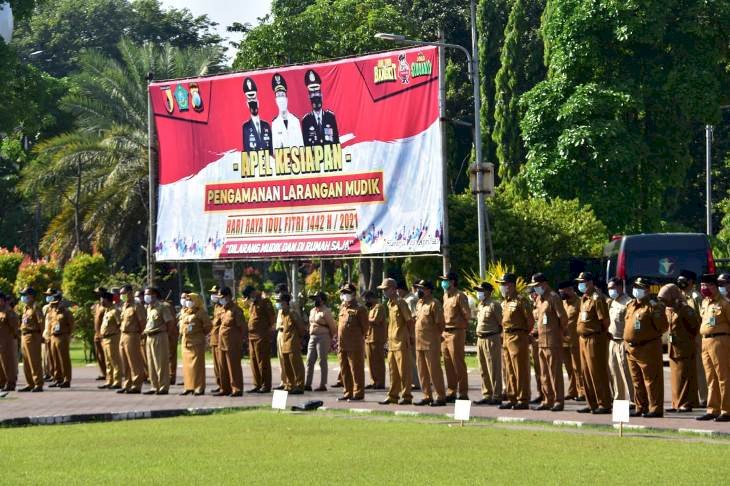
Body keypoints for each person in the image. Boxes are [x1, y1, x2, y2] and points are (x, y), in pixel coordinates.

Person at [624, 277, 668, 418]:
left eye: (640, 287)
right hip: (631, 349)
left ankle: (655, 408)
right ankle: (640, 406)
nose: (636, 290)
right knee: (636, 380)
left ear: (647, 290)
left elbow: (662, 327)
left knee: (651, 380)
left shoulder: (654, 306)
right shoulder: (631, 305)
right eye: (635, 286)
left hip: (647, 347)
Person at [529, 273, 568, 411]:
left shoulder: (553, 297)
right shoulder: (539, 299)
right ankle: (547, 400)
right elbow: (537, 319)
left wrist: (560, 334)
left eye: (537, 285)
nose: (535, 288)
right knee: (544, 373)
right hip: (541, 341)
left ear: (544, 284)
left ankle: (558, 401)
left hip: (552, 341)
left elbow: (563, 318)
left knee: (555, 373)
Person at [658, 283, 699, 413]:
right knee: (675, 378)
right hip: (673, 348)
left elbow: (694, 327)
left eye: (666, 299)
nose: (665, 302)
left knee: (685, 376)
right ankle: (676, 402)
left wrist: (685, 339)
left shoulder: (685, 309)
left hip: (684, 347)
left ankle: (686, 403)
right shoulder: (669, 309)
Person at [575, 272, 612, 414]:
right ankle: (592, 403)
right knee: (586, 372)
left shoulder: (597, 298)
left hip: (594, 338)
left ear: (590, 282)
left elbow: (605, 321)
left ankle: (604, 403)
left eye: (583, 281)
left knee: (597, 371)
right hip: (583, 339)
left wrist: (598, 334)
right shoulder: (584, 299)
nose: (581, 285)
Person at [696, 274, 730, 421]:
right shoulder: (704, 303)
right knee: (710, 378)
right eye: (702, 285)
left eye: (707, 285)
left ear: (715, 287)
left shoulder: (725, 303)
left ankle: (726, 410)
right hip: (705, 342)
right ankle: (712, 409)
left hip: (720, 341)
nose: (704, 288)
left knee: (723, 377)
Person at [498, 273, 534, 410]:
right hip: (506, 337)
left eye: (504, 284)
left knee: (520, 369)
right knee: (509, 369)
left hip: (518, 336)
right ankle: (512, 397)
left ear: (512, 285)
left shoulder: (521, 301)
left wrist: (524, 334)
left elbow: (530, 321)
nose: (502, 287)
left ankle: (523, 399)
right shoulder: (505, 302)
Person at [377, 278, 414, 405]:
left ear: (393, 289)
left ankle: (407, 396)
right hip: (392, 342)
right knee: (393, 371)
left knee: (404, 371)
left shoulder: (401, 303)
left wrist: (411, 337)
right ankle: (393, 395)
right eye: (383, 290)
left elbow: (409, 321)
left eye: (386, 289)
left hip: (402, 342)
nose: (384, 292)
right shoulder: (389, 304)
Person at [413, 280, 446, 407]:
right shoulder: (419, 304)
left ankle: (440, 396)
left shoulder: (434, 304)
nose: (419, 291)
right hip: (419, 342)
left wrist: (436, 337)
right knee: (422, 371)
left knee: (434, 371)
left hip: (431, 342)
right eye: (418, 288)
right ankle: (427, 396)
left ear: (429, 290)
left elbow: (440, 324)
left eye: (422, 288)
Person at [438, 271, 470, 402]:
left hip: (456, 332)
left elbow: (467, 314)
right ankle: (451, 391)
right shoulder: (445, 296)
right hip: (445, 332)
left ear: (452, 282)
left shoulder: (460, 296)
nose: (444, 283)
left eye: (446, 280)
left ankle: (463, 392)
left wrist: (460, 325)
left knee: (458, 363)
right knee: (447, 363)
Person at [677, 269, 707, 408]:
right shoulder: (681, 295)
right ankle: (691, 397)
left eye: (684, 280)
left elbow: (702, 316)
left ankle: (704, 398)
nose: (680, 282)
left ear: (691, 282)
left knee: (699, 368)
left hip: (696, 336)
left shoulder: (696, 297)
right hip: (684, 337)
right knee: (688, 368)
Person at [336, 283, 368, 401]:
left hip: (354, 345)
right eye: (343, 293)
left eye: (348, 293)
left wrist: (356, 338)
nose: (345, 295)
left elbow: (365, 327)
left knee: (356, 370)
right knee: (344, 370)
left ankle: (358, 393)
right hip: (342, 344)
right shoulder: (343, 307)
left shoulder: (360, 309)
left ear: (354, 294)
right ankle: (347, 392)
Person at [472, 282, 503, 406]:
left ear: (489, 292)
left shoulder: (494, 305)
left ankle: (496, 395)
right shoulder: (480, 305)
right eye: (478, 290)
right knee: (483, 368)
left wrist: (500, 338)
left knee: (493, 368)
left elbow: (502, 323)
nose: (478, 293)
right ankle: (487, 394)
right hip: (480, 339)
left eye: (481, 290)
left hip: (491, 338)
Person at [243, 285, 276, 393]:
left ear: (253, 292)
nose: (248, 298)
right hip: (252, 336)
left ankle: (265, 385)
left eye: (249, 295)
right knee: (253, 361)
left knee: (263, 361)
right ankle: (257, 384)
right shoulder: (253, 303)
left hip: (261, 336)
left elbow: (272, 318)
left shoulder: (264, 302)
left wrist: (267, 331)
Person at [606, 278, 634, 404]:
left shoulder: (628, 303)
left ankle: (633, 401)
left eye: (612, 288)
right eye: (609, 288)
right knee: (614, 372)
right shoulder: (612, 302)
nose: (610, 291)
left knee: (626, 373)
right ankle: (619, 400)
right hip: (612, 341)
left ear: (620, 287)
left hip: (623, 342)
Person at [143, 287, 174, 395]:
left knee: (161, 362)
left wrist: (167, 335)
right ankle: (154, 386)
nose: (146, 296)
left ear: (155, 295)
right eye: (145, 294)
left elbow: (169, 322)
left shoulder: (162, 307)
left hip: (159, 336)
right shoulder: (149, 308)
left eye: (148, 294)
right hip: (149, 337)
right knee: (151, 363)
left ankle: (163, 387)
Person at [178, 293, 211, 396]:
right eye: (187, 300)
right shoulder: (184, 312)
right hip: (185, 342)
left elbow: (208, 326)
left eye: (190, 300)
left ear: (196, 301)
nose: (188, 302)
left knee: (197, 366)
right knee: (187, 366)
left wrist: (200, 334)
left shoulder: (201, 312)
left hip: (196, 342)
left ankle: (199, 387)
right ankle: (188, 387)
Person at [216, 287, 246, 397]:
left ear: (228, 296)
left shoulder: (236, 310)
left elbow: (242, 327)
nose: (220, 300)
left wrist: (242, 342)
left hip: (232, 343)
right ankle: (225, 388)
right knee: (222, 367)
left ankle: (236, 389)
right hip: (222, 343)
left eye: (222, 297)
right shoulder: (223, 310)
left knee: (234, 367)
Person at [558, 281, 585, 402]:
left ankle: (582, 391)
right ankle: (572, 390)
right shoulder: (562, 303)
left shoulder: (579, 302)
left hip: (576, 340)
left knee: (578, 367)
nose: (561, 293)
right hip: (564, 341)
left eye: (563, 291)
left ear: (570, 289)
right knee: (569, 368)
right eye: (560, 292)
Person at [117, 284, 146, 394]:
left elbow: (142, 322)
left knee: (134, 361)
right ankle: (127, 383)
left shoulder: (137, 306)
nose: (121, 296)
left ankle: (136, 385)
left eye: (123, 293)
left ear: (130, 293)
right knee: (125, 361)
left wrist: (141, 335)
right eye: (121, 294)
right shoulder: (124, 306)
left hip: (133, 335)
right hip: (123, 335)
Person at [305, 291, 336, 392]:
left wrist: (331, 339)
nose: (315, 301)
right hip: (312, 337)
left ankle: (323, 384)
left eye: (317, 299)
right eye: (314, 299)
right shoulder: (312, 311)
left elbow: (332, 327)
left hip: (323, 337)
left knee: (322, 361)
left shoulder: (326, 311)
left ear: (322, 300)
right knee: (309, 360)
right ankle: (307, 384)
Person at [276, 292, 307, 394]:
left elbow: (301, 328)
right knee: (287, 365)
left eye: (279, 301)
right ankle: (290, 385)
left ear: (285, 302)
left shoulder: (292, 313)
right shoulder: (282, 314)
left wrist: (300, 339)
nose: (278, 303)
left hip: (293, 342)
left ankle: (299, 386)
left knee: (296, 365)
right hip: (284, 342)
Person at [301, 69, 339, 146]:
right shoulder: (306, 121)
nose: (316, 96)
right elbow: (306, 145)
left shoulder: (330, 117)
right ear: (309, 97)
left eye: (317, 93)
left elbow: (336, 142)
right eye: (313, 94)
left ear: (321, 95)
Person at [46, 289, 74, 388]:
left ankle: (67, 380)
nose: (55, 305)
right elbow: (50, 324)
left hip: (62, 336)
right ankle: (57, 378)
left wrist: (68, 335)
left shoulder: (66, 312)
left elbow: (71, 325)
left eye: (56, 303)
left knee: (64, 359)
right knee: (55, 359)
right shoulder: (53, 312)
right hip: (53, 336)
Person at [18, 287, 44, 392]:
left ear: (31, 296)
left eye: (25, 295)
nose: (23, 297)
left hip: (33, 336)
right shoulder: (26, 308)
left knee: (34, 361)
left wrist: (42, 337)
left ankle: (38, 383)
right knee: (26, 362)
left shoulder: (35, 307)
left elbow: (41, 323)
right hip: (24, 336)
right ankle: (30, 383)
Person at [97, 289, 123, 390]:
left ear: (107, 300)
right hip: (105, 339)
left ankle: (117, 381)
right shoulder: (107, 311)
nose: (101, 301)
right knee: (108, 361)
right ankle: (109, 380)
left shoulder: (115, 311)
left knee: (115, 360)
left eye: (102, 299)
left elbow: (119, 324)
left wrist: (115, 333)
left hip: (113, 338)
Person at [396, 281, 420, 390]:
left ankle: (415, 382)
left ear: (402, 289)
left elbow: (414, 317)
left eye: (398, 290)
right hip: (407, 333)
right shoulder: (404, 300)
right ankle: (413, 381)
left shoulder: (410, 300)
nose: (397, 292)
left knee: (412, 359)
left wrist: (411, 334)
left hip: (411, 333)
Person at [270, 73, 304, 148]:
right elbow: (275, 149)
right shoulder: (275, 124)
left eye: (282, 95)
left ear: (287, 99)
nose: (281, 99)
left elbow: (301, 145)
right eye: (278, 96)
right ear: (276, 100)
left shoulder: (295, 120)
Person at [242, 77, 273, 153]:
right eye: (250, 101)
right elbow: (246, 150)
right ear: (247, 104)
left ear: (258, 103)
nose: (253, 104)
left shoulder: (266, 125)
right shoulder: (246, 127)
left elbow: (271, 149)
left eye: (254, 100)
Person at [364, 290, 387, 390]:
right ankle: (374, 381)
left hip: (377, 338)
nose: (366, 301)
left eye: (367, 299)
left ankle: (380, 382)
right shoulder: (371, 308)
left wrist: (364, 318)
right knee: (370, 362)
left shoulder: (379, 307)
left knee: (378, 361)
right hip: (369, 338)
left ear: (373, 298)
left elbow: (376, 320)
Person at [0, 292, 19, 391]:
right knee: (1, 364)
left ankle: (10, 383)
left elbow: (15, 327)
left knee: (8, 363)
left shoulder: (9, 312)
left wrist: (11, 338)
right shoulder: (0, 311)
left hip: (7, 341)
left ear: (2, 300)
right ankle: (2, 383)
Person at [273, 283, 290, 391]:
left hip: (286, 333)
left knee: (287, 359)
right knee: (280, 359)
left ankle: (289, 382)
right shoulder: (280, 305)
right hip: (279, 333)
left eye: (279, 292)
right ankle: (283, 381)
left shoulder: (289, 304)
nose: (278, 295)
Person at [208, 285, 223, 394]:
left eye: (215, 293)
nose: (212, 296)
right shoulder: (216, 307)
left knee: (221, 364)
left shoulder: (223, 307)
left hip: (220, 339)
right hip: (214, 338)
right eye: (212, 293)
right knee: (216, 366)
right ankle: (219, 384)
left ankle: (224, 385)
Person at [91, 288, 108, 381]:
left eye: (99, 293)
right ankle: (104, 373)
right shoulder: (96, 306)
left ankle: (110, 374)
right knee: (99, 355)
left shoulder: (106, 306)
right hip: (97, 334)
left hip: (104, 334)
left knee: (107, 356)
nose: (97, 295)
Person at [134, 290, 149, 383]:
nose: (138, 298)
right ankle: (144, 375)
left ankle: (149, 376)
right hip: (137, 335)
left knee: (147, 357)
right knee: (140, 357)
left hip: (146, 334)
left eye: (139, 296)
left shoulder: (148, 307)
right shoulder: (137, 307)